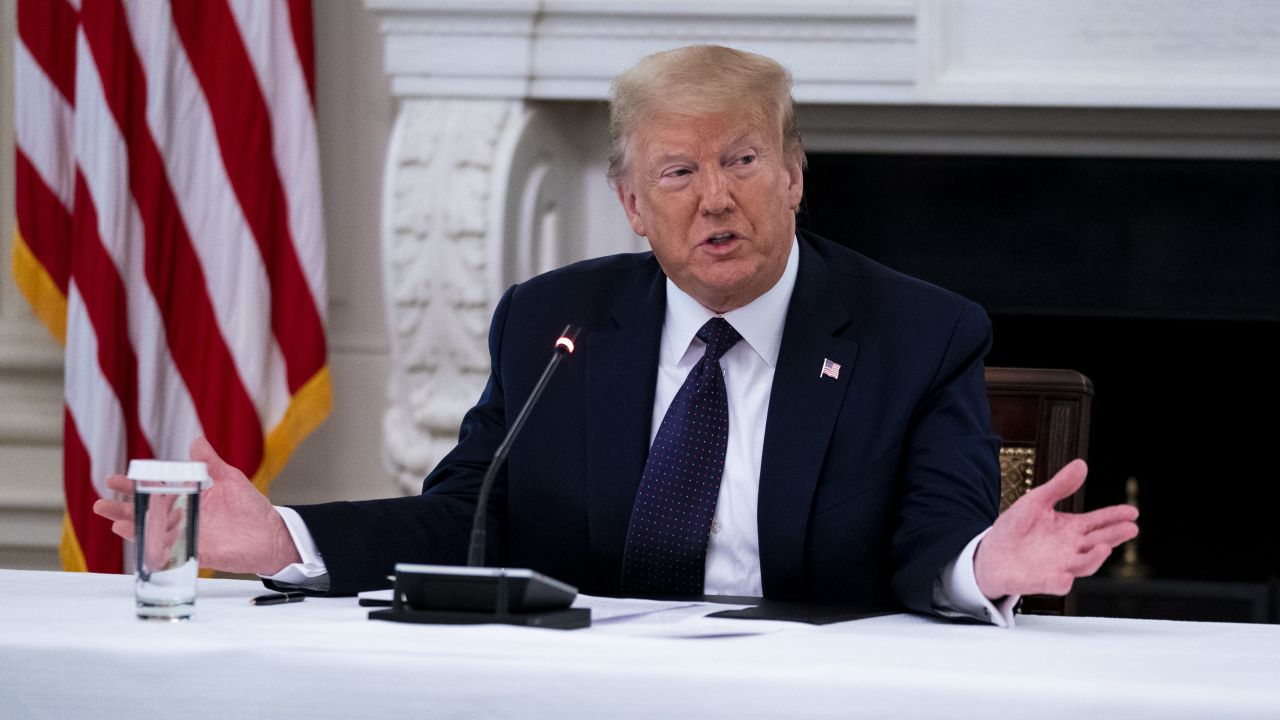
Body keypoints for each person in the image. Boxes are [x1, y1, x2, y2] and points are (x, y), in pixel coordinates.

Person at [95, 45, 1138, 626]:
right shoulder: (552, 322)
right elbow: (467, 521)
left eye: (740, 161)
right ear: (632, 205)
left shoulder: (918, 332)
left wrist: (983, 563)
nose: (715, 200)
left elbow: (931, 544)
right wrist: (284, 540)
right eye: (678, 174)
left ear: (794, 176)